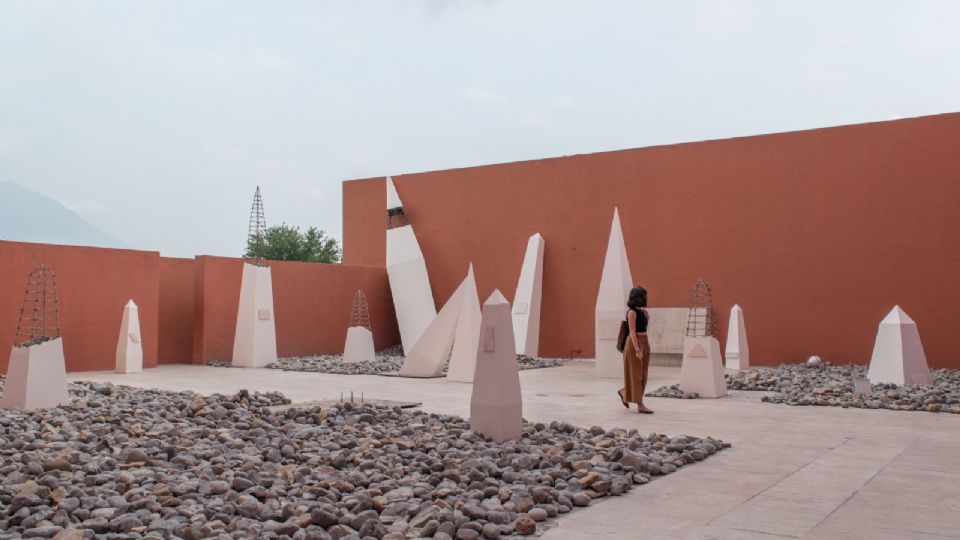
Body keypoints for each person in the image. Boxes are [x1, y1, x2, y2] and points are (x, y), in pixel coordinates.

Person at [618, 286, 653, 414]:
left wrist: (646, 316)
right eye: (644, 295)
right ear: (638, 297)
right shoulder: (631, 312)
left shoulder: (642, 312)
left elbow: (644, 328)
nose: (646, 298)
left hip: (645, 340)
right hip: (634, 343)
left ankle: (624, 392)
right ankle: (640, 404)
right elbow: (632, 332)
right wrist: (637, 349)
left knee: (643, 374)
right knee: (636, 374)